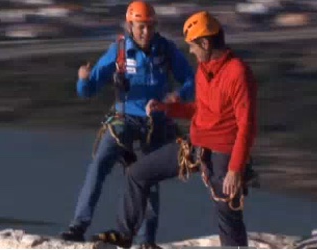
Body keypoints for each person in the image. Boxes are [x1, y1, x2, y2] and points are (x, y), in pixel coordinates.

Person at [91, 11, 258, 248]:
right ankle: (124, 235)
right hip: (197, 145)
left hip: (223, 152)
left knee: (226, 211)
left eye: (193, 46)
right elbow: (201, 109)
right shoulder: (205, 70)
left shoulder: (237, 73)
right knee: (137, 174)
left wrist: (235, 170)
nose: (191, 51)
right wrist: (167, 108)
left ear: (205, 43)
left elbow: (246, 125)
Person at [59, 1, 196, 247]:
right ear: (130, 25)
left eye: (150, 26)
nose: (145, 32)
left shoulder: (166, 50)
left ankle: (146, 240)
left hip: (155, 125)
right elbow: (90, 89)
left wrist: (179, 96)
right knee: (99, 167)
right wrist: (83, 80)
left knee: (147, 179)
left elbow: (191, 80)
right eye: (141, 26)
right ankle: (78, 226)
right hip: (123, 122)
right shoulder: (119, 51)